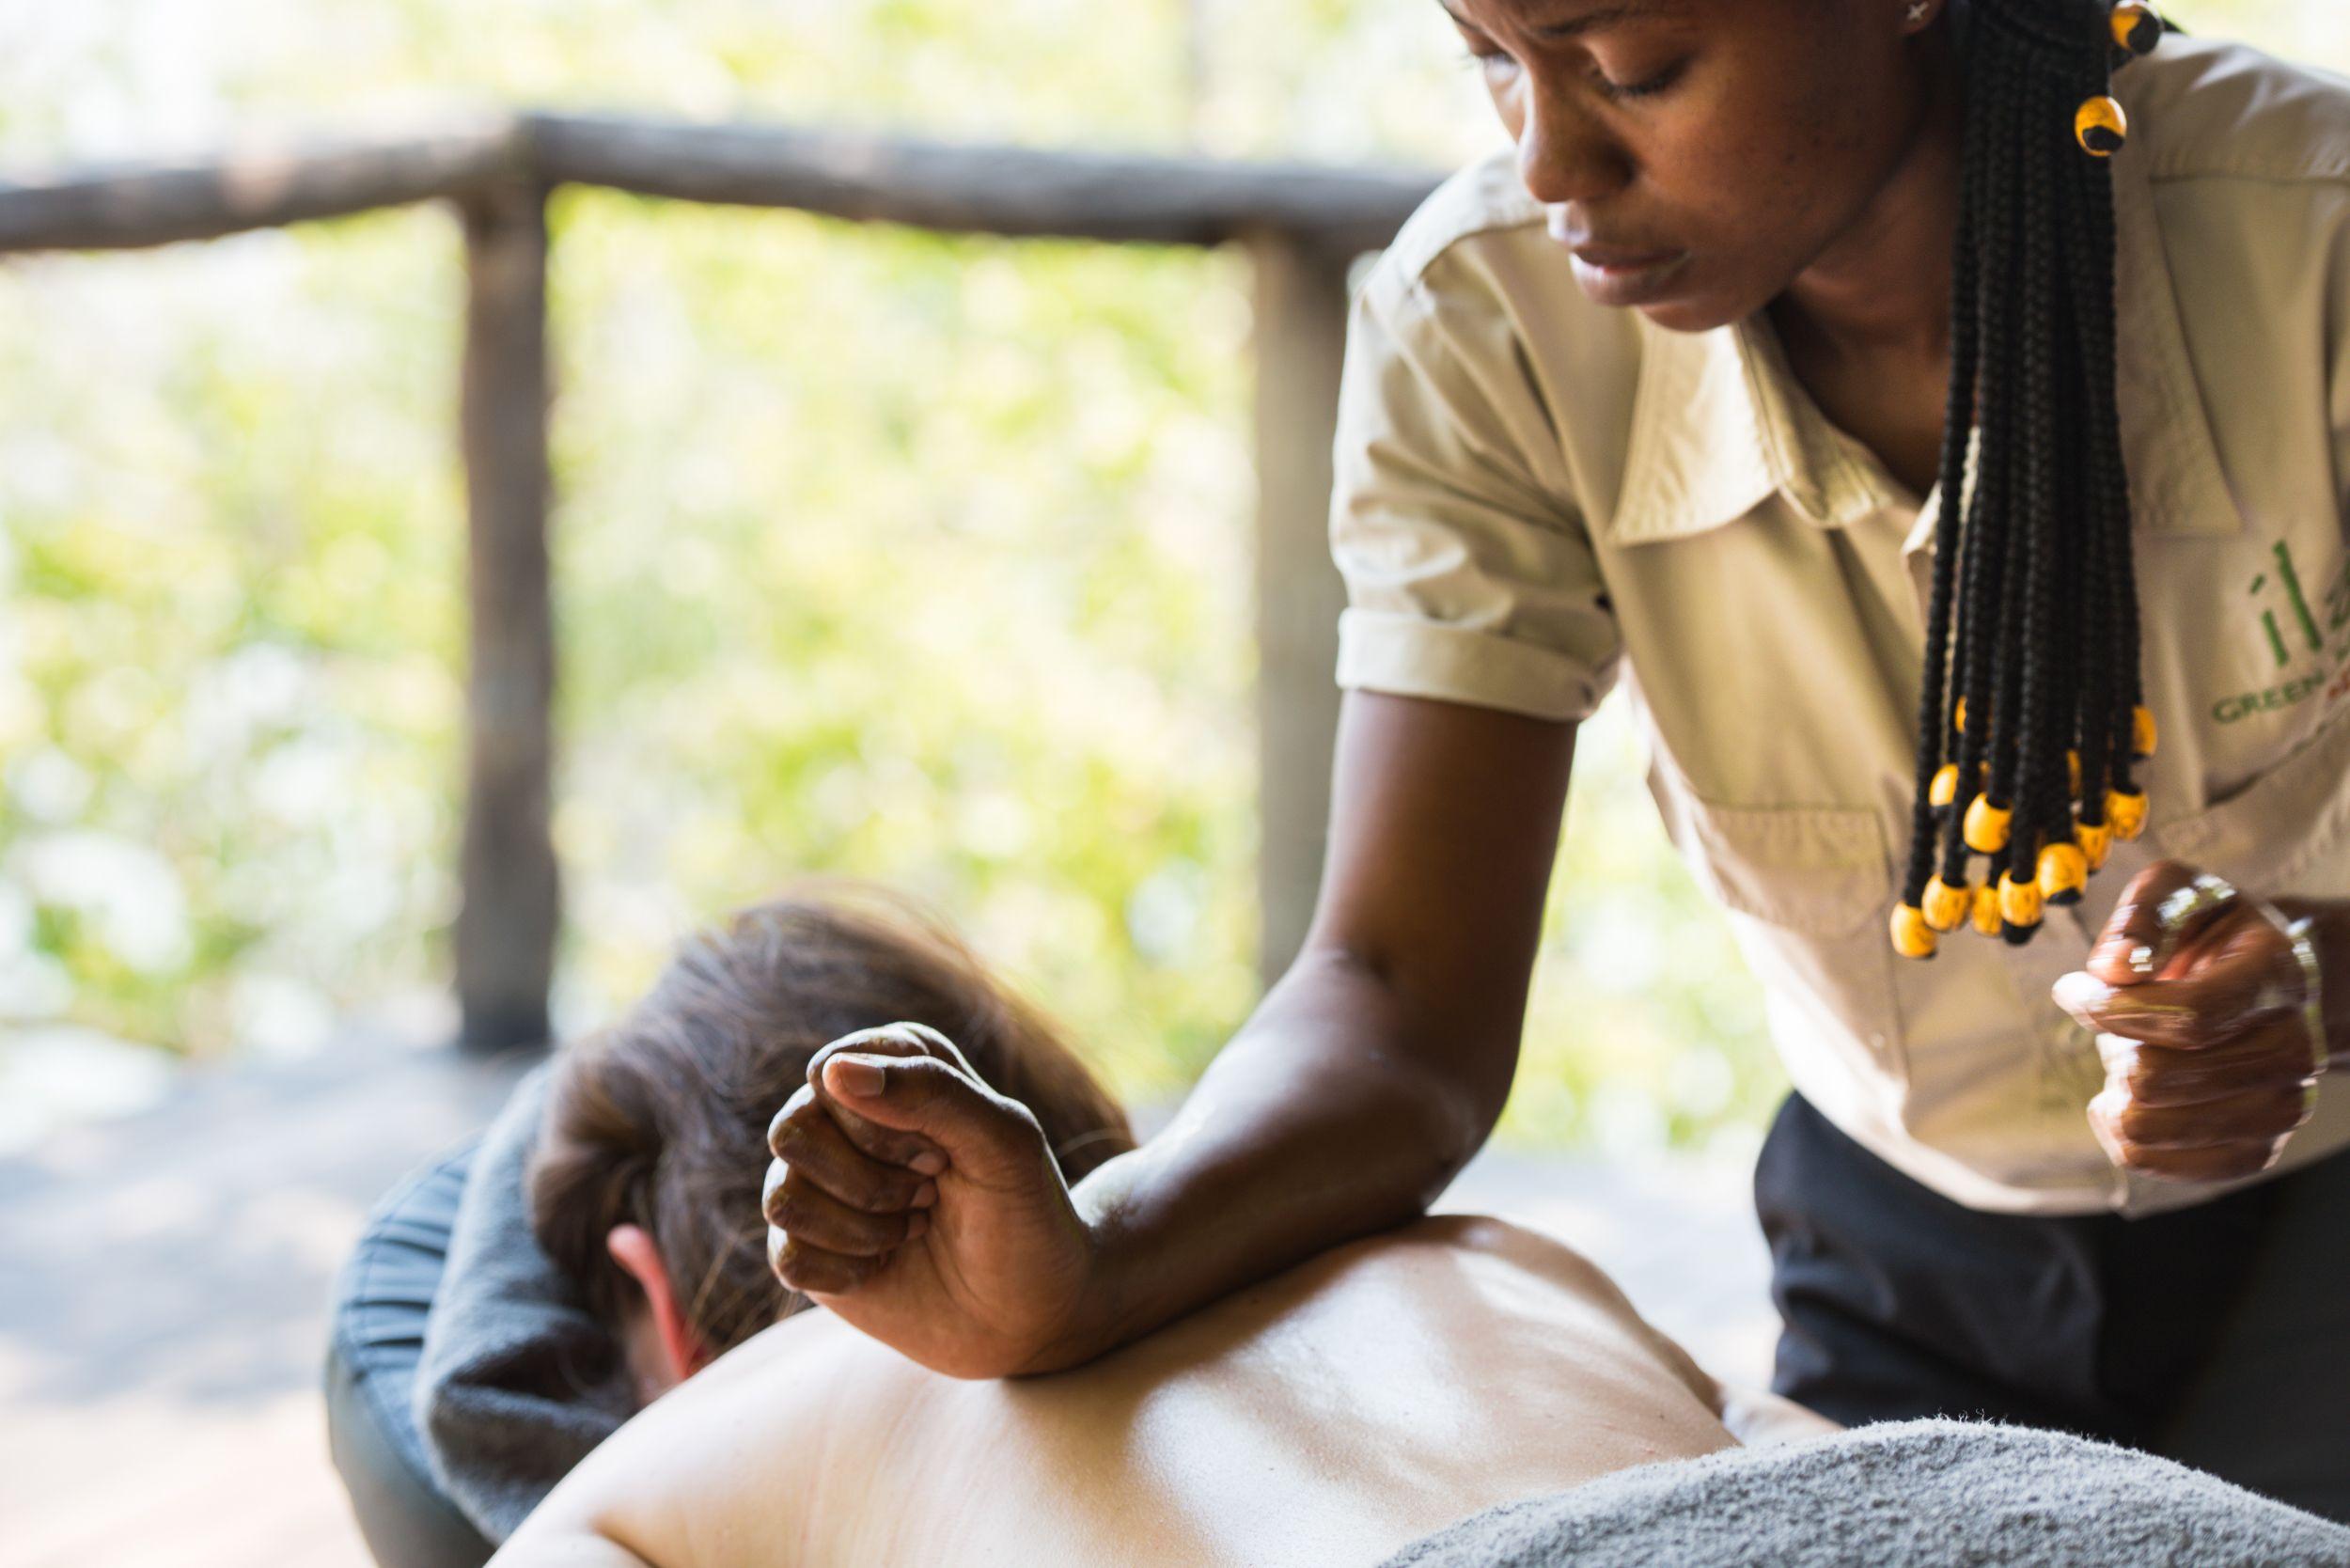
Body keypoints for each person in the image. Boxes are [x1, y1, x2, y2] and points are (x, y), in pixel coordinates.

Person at [761, 0, 2350, 1522]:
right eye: (1490, 60)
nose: (1548, 163)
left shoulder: (2312, 242)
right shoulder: (1493, 327)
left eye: (1635, 66)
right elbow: (1397, 1001)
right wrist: (1089, 1268)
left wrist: (2313, 979)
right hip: (1904, 1256)